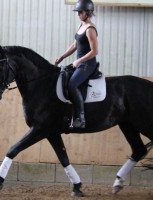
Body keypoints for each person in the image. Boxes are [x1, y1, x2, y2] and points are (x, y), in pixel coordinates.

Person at [55, 0, 98, 129]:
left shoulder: (90, 29)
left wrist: (79, 60)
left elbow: (95, 51)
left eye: (80, 12)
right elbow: (75, 45)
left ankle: (80, 117)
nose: (78, 14)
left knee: (72, 84)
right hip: (79, 64)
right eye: (78, 12)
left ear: (88, 13)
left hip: (87, 64)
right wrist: (62, 56)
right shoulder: (82, 25)